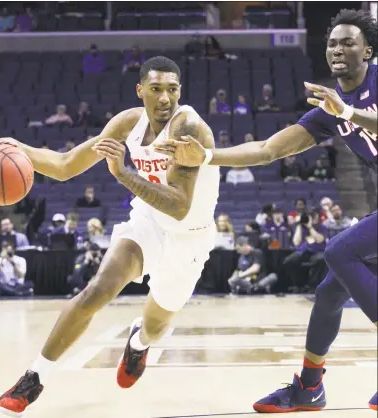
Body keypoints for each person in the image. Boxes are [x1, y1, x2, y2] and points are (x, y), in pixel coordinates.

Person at [154, 9, 378, 412]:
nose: (338, 49)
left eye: (348, 42)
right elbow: (268, 148)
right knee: (330, 290)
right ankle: (309, 388)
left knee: (339, 252)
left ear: (369, 50)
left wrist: (346, 114)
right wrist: (205, 155)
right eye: (332, 43)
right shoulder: (332, 107)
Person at [0, 56, 220, 416]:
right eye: (156, 89)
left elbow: (179, 206)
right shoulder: (128, 123)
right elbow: (67, 166)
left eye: (172, 90)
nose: (165, 98)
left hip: (189, 236)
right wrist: (18, 150)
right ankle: (35, 376)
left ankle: (139, 341)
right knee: (98, 289)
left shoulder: (189, 127)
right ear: (140, 91)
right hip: (148, 221)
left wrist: (123, 174)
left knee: (155, 323)